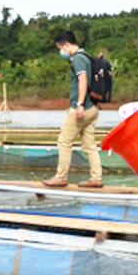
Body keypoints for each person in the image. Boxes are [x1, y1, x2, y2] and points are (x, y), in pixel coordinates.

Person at [42, 31, 103, 188]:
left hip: (83, 108)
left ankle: (61, 177)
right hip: (94, 107)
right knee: (89, 145)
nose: (60, 51)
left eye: (60, 48)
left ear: (66, 44)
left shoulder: (77, 58)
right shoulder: (86, 56)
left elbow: (82, 81)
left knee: (64, 141)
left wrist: (79, 105)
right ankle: (96, 178)